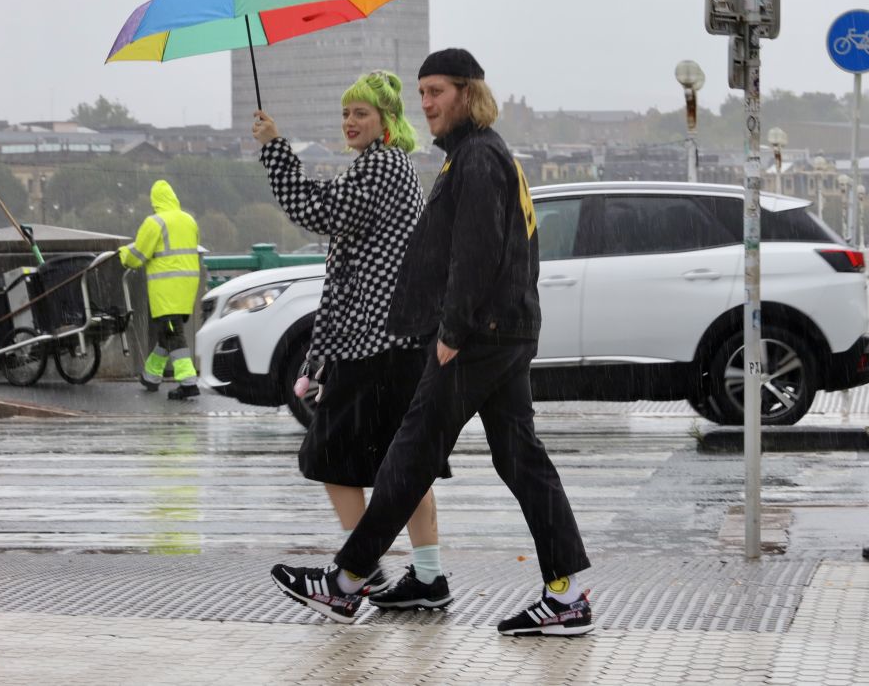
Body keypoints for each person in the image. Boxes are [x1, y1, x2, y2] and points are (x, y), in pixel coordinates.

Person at [270, 48, 593, 636]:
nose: (426, 103)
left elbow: (477, 251)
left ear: (468, 93)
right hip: (503, 331)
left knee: (411, 454)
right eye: (421, 93)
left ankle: (346, 582)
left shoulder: (477, 158)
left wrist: (452, 330)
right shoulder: (481, 155)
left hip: (477, 338)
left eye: (436, 91)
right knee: (520, 460)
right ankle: (566, 596)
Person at [253, 70, 453, 611]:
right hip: (393, 341)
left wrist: (274, 148)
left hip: (376, 345)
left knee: (330, 455)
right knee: (405, 465)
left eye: (361, 113)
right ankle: (425, 577)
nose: (349, 122)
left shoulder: (382, 167)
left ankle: (364, 572)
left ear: (387, 121)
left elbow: (315, 211)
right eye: (345, 113)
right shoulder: (387, 166)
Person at [119, 179, 203, 400]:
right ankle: (151, 376)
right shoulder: (189, 220)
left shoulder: (154, 222)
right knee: (167, 333)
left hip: (166, 289)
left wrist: (123, 254)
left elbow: (138, 256)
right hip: (187, 287)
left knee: (174, 334)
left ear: (155, 201)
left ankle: (188, 382)